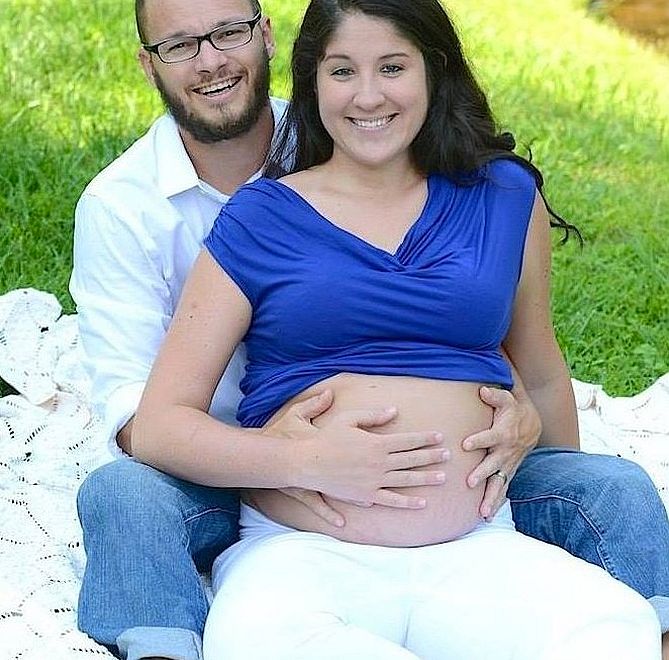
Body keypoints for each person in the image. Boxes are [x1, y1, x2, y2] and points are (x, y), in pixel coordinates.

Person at [69, 0, 669, 658]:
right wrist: (306, 460)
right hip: (299, 541)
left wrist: (535, 445)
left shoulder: (501, 195)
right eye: (342, 71)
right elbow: (151, 423)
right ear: (314, 80)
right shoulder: (245, 213)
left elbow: (540, 368)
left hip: (472, 543)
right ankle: (160, 641)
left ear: (433, 70)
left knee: (613, 624)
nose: (367, 96)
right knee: (140, 513)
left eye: (392, 67)